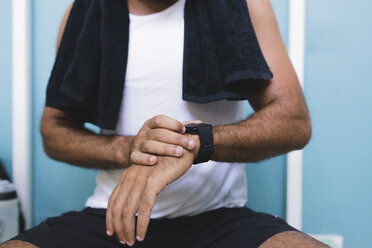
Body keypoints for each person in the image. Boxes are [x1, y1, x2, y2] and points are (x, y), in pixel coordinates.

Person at [1, 0, 328, 247]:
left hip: (220, 220)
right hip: (110, 218)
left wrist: (196, 142)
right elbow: (53, 131)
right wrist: (129, 149)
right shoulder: (85, 11)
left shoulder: (245, 4)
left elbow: (293, 120)